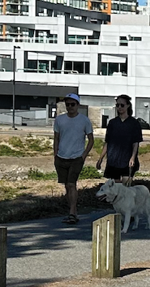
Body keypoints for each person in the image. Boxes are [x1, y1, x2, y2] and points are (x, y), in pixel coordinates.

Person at [52, 93, 95, 224]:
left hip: (77, 157)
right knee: (67, 186)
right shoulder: (59, 120)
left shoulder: (84, 120)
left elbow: (91, 140)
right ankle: (73, 211)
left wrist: (83, 155)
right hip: (61, 156)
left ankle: (72, 212)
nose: (70, 107)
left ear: (78, 105)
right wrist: (55, 154)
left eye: (72, 104)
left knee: (72, 184)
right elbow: (56, 138)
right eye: (68, 104)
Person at [97, 94, 142, 183]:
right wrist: (100, 158)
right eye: (117, 105)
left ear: (128, 105)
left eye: (122, 105)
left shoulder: (134, 123)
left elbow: (135, 142)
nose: (119, 107)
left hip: (127, 159)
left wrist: (133, 157)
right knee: (115, 188)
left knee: (126, 188)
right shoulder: (112, 123)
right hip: (113, 159)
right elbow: (107, 142)